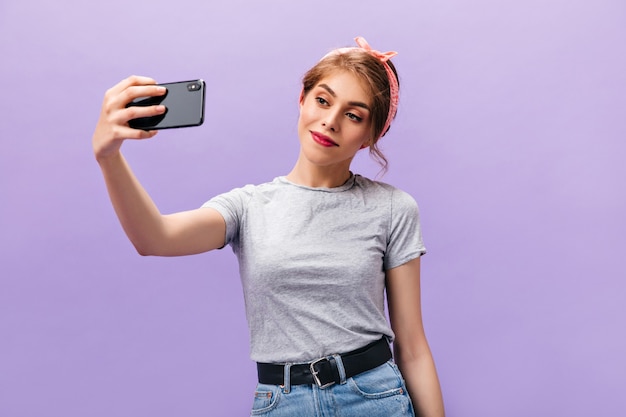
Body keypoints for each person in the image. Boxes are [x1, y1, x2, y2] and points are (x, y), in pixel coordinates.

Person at [92, 37, 445, 417]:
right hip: (283, 403)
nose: (330, 121)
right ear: (302, 100)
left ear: (371, 135)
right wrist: (108, 157)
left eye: (354, 115)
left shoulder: (393, 208)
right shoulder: (248, 207)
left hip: (374, 398)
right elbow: (154, 238)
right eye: (323, 100)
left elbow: (412, 346)